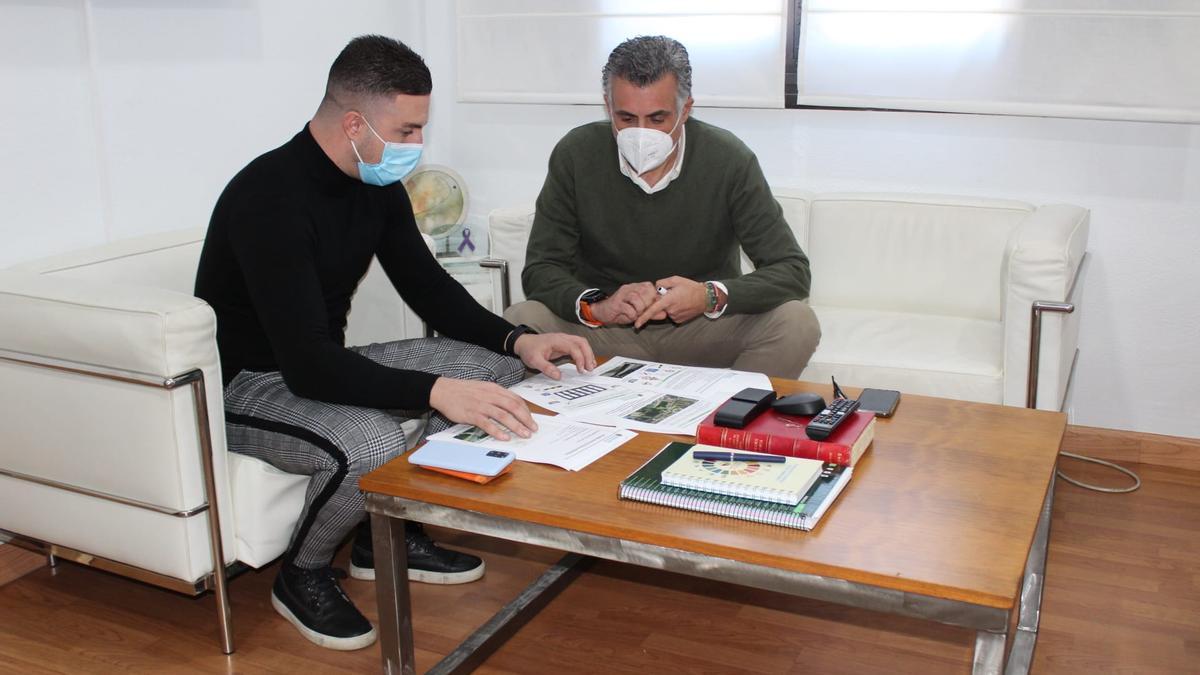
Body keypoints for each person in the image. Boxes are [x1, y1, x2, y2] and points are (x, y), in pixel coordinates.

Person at [194, 35, 594, 651]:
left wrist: (519, 341)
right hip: (250, 386)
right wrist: (438, 390)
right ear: (355, 121)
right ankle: (300, 575)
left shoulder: (372, 180)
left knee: (495, 371)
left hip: (319, 364)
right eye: (406, 131)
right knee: (376, 441)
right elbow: (304, 367)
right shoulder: (268, 198)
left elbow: (428, 287)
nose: (415, 147)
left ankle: (382, 540)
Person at [505, 36, 820, 379]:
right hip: (607, 333)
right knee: (522, 319)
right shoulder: (576, 153)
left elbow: (792, 270)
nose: (642, 134)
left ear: (686, 109)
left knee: (797, 323)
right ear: (608, 107)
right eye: (626, 118)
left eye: (657, 118)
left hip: (702, 330)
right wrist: (598, 306)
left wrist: (707, 296)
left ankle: (722, 416)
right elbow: (541, 268)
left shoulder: (728, 158)